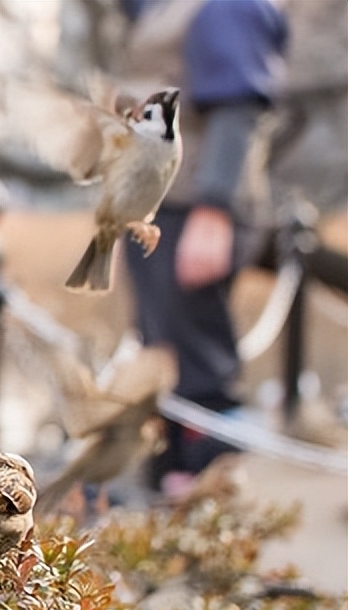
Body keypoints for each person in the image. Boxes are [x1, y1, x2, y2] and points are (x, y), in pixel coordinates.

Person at [117, 0, 288, 498]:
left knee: (199, 365)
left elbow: (237, 109)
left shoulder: (227, 7)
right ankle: (168, 484)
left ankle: (209, 501)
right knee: (160, 352)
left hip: (194, 206)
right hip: (159, 205)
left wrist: (214, 210)